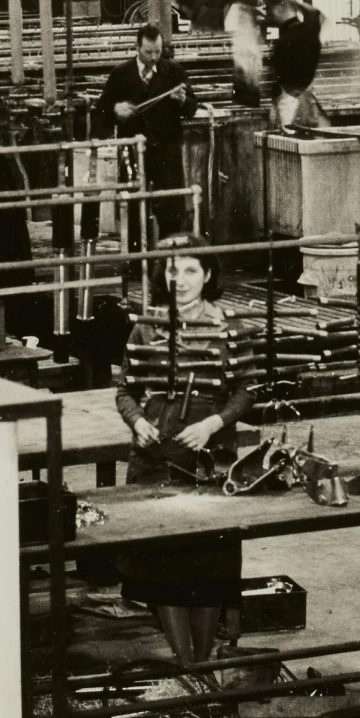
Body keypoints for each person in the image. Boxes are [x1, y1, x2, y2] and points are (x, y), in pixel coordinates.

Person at [112, 238, 258, 660]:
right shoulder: (146, 326)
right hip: (155, 463)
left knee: (208, 568)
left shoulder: (229, 326)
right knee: (163, 570)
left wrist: (214, 423)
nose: (180, 279)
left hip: (209, 464)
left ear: (208, 275)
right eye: (172, 270)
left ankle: (202, 662)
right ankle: (187, 664)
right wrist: (138, 421)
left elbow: (247, 389)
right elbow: (126, 390)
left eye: (191, 270)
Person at [98, 22, 196, 235]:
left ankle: (168, 261)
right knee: (134, 208)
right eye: (148, 52)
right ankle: (136, 265)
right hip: (133, 152)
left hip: (166, 153)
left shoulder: (173, 72)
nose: (153, 57)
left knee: (171, 211)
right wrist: (116, 109)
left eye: (158, 52)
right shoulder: (121, 74)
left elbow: (192, 108)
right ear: (137, 47)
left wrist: (183, 100)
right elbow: (100, 110)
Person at [260, 0, 329, 130]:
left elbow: (279, 81)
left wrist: (274, 107)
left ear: (279, 9)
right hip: (308, 100)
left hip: (288, 105)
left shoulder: (283, 41)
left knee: (287, 145)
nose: (269, 16)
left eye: (270, 11)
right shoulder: (310, 30)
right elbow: (318, 14)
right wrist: (294, 2)